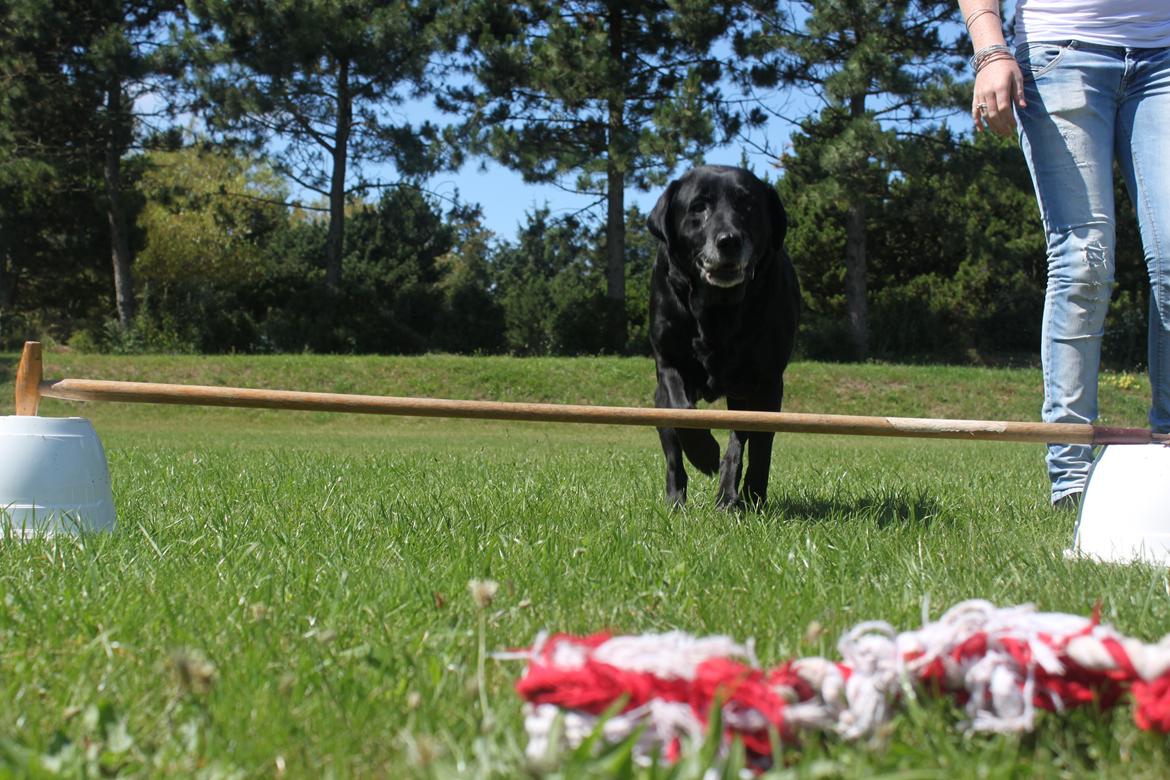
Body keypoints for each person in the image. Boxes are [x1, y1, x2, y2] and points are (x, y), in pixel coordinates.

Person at [958, 0, 1170, 508]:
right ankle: (1071, 482)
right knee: (1085, 261)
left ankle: (1166, 458)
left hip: (1164, 58)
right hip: (1062, 51)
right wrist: (990, 50)